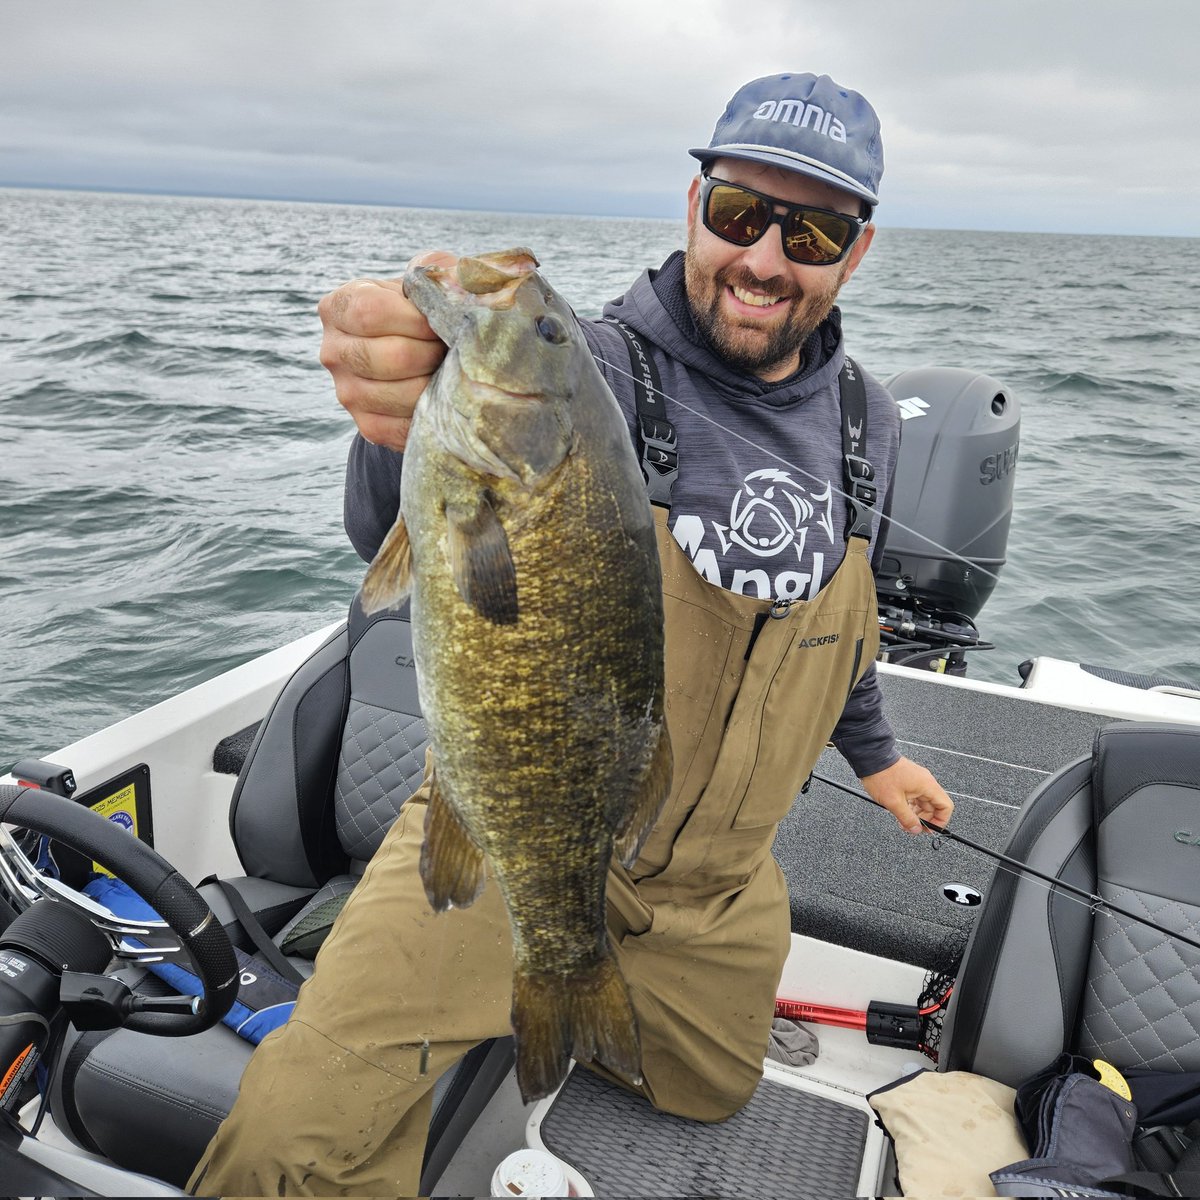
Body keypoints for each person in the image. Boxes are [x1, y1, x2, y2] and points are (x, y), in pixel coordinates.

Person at [190, 71, 954, 1197]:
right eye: (741, 212)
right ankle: (477, 996)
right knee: (289, 1144)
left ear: (858, 251)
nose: (764, 257)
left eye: (813, 229)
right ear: (693, 205)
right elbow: (385, 523)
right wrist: (401, 404)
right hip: (507, 829)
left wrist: (880, 758)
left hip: (716, 884)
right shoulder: (584, 369)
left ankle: (561, 1001)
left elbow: (827, 630)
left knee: (714, 1089)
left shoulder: (867, 423)